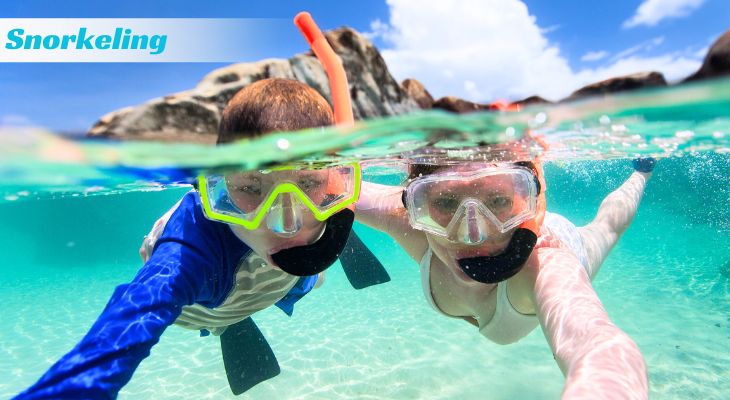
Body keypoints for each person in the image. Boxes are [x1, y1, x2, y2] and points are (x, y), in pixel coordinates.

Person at [14, 77, 365, 399]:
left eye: (306, 184)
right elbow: (128, 321)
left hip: (277, 279)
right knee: (301, 276)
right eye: (249, 188)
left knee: (312, 277)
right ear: (215, 184)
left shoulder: (322, 199)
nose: (284, 224)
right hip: (206, 305)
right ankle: (230, 323)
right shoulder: (190, 255)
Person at [355, 142, 655, 399]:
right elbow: (334, 186)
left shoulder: (545, 266)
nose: (473, 235)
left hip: (561, 239)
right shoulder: (410, 222)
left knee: (607, 227)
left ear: (529, 200)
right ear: (416, 205)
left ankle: (642, 172)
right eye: (446, 202)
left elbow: (597, 344)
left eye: (498, 200)